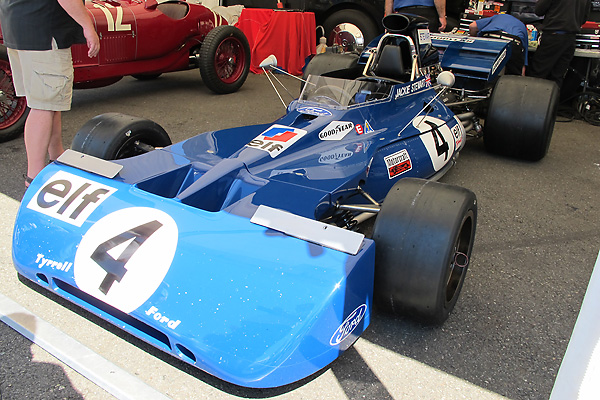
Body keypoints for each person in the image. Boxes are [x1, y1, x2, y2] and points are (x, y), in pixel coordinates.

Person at [0, 0, 100, 187]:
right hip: (44, 33)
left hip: (18, 28)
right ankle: (34, 177)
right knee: (43, 107)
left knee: (49, 102)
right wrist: (88, 26)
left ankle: (57, 156)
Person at [528, 0, 591, 88]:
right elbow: (584, 18)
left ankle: (532, 101)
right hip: (570, 39)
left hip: (553, 36)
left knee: (538, 74)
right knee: (557, 77)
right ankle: (552, 101)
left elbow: (539, 10)